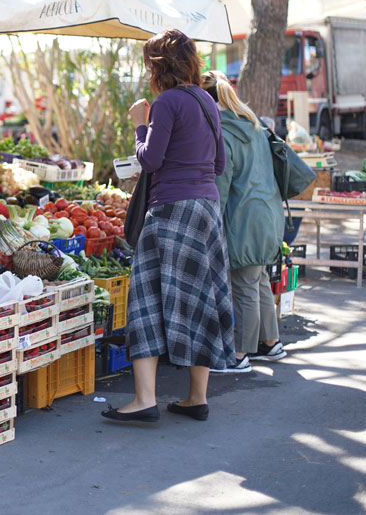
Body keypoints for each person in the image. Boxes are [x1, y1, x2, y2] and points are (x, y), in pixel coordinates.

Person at [101, 29, 234, 424]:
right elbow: (220, 165)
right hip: (206, 211)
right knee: (198, 298)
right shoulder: (207, 102)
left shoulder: (166, 103)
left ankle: (144, 400)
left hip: (171, 211)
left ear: (156, 67)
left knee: (146, 298)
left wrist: (141, 124)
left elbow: (151, 160)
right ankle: (197, 397)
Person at [200, 71, 287, 374]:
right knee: (259, 279)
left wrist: (209, 222)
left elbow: (221, 187)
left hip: (244, 218)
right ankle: (270, 342)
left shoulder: (223, 131)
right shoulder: (252, 123)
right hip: (269, 213)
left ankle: (238, 355)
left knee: (244, 286)